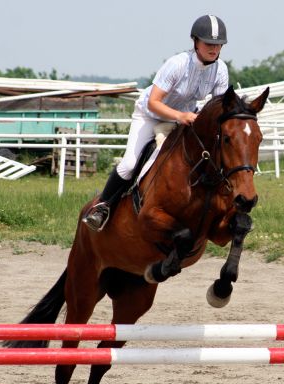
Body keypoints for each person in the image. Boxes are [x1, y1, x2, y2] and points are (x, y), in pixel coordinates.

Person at [83, 14, 229, 231]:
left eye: (218, 45)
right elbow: (153, 102)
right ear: (195, 41)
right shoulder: (177, 64)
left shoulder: (221, 70)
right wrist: (180, 116)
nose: (214, 49)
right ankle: (102, 208)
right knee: (130, 164)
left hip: (186, 120)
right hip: (151, 115)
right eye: (209, 43)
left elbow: (220, 108)